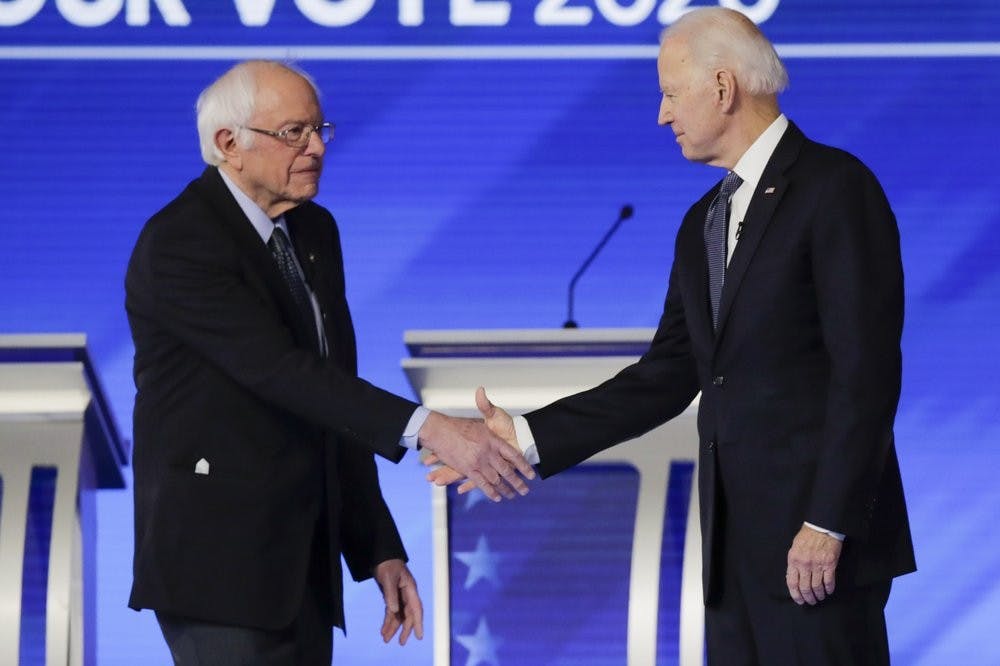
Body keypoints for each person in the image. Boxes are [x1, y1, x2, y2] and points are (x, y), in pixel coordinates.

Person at [431, 8, 915, 665]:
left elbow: (866, 372)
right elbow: (668, 374)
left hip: (817, 548)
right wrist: (526, 436)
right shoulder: (702, 222)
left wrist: (826, 522)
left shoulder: (834, 189)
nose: (662, 115)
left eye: (669, 92)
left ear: (722, 87)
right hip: (732, 557)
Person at [125, 60, 533, 664]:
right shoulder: (182, 242)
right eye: (293, 132)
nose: (315, 147)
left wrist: (377, 548)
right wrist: (433, 428)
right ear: (227, 144)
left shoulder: (314, 231)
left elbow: (331, 392)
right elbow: (280, 372)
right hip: (219, 566)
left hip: (303, 565)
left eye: (320, 130)